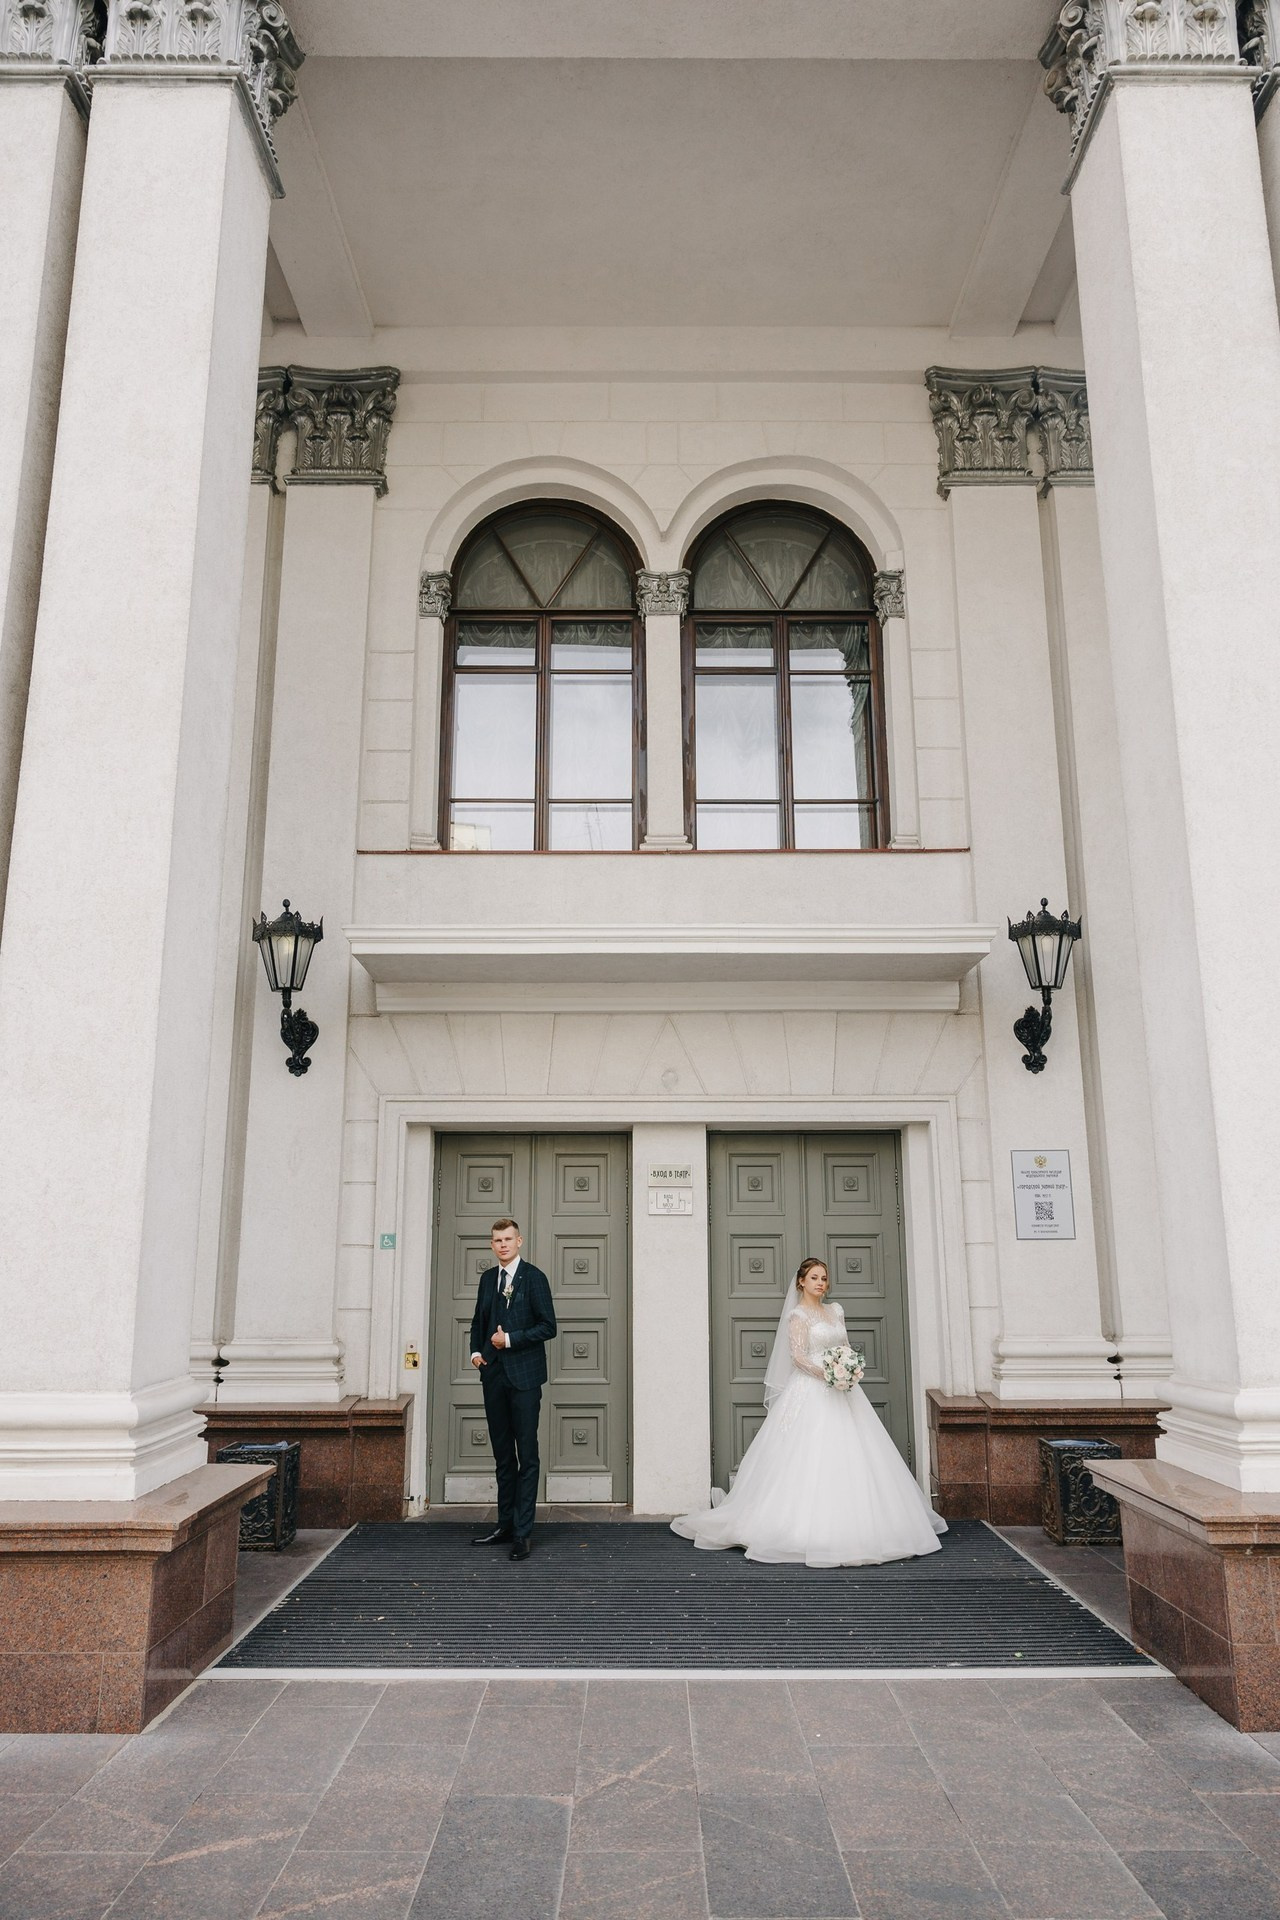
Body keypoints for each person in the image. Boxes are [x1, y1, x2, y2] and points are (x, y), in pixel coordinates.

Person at [672, 1255, 946, 1567]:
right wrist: (829, 1373)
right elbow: (799, 1357)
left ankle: (863, 1526)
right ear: (801, 1281)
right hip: (811, 1390)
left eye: (824, 1278)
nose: (820, 1283)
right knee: (807, 1455)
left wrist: (847, 1368)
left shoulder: (835, 1311)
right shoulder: (798, 1316)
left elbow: (843, 1346)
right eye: (814, 1277)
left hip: (844, 1393)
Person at [469, 1217, 557, 1561]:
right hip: (493, 1376)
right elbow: (479, 1320)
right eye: (496, 1241)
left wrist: (510, 1339)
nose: (502, 1245)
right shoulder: (488, 1279)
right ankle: (504, 1524)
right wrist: (477, 1353)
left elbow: (548, 1326)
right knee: (502, 1454)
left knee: (527, 1455)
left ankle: (523, 1532)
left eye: (507, 1239)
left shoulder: (534, 1278)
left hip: (525, 1378)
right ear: (492, 1245)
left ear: (519, 1241)